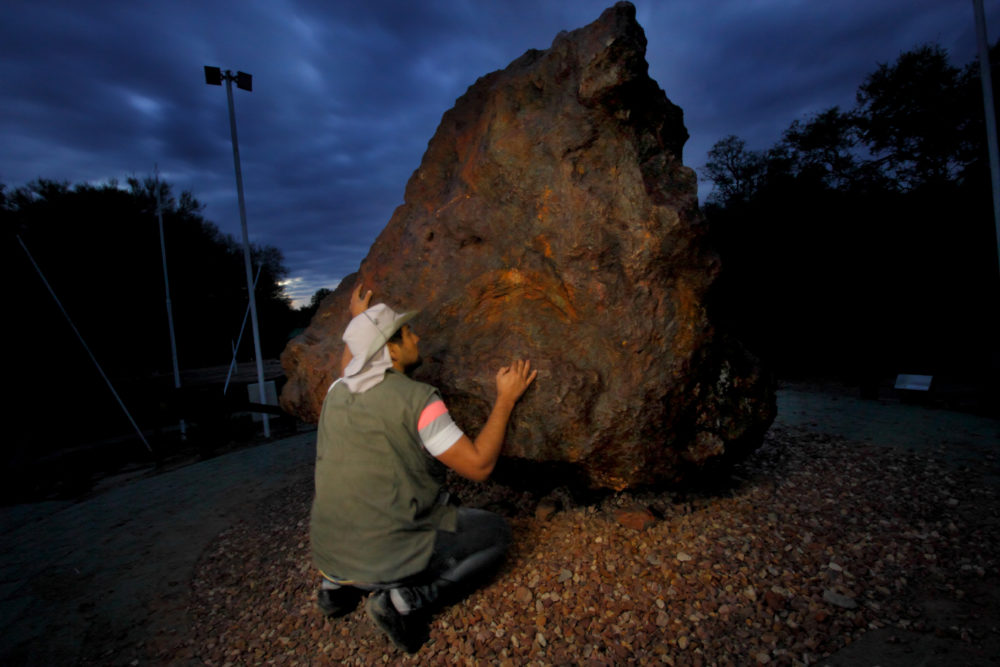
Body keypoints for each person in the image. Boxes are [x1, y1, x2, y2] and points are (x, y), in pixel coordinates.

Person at [309, 283, 537, 653]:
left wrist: (361, 322)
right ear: (391, 349)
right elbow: (478, 466)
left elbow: (350, 363)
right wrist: (506, 399)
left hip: (330, 555)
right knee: (495, 533)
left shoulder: (337, 390)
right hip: (382, 557)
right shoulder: (418, 400)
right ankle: (405, 600)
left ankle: (336, 590)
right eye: (407, 333)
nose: (417, 337)